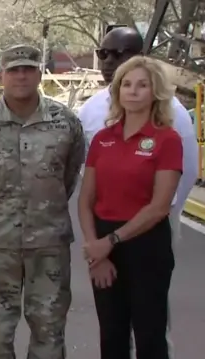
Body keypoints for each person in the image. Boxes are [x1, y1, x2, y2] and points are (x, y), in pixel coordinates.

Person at [0, 44, 85, 359]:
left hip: (49, 248)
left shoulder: (65, 122)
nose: (22, 75)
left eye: (28, 68)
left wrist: (44, 210)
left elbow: (68, 177)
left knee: (49, 334)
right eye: (14, 70)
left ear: (40, 74)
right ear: (0, 76)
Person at [77, 27, 197, 357]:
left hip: (146, 244)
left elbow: (160, 205)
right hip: (103, 243)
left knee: (149, 336)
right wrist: (95, 250)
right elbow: (86, 200)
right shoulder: (103, 138)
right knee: (111, 336)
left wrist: (110, 242)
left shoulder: (167, 137)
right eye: (127, 85)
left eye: (142, 85)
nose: (133, 92)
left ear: (154, 91)